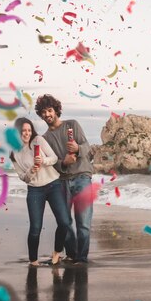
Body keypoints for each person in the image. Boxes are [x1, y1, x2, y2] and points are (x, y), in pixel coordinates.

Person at [35, 94, 94, 264]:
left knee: (83, 222)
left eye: (49, 110)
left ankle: (81, 259)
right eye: (43, 112)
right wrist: (63, 163)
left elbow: (88, 149)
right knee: (65, 222)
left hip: (82, 177)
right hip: (61, 181)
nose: (47, 114)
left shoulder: (72, 125)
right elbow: (50, 164)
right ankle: (73, 255)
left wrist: (77, 148)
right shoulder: (44, 139)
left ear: (56, 110)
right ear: (41, 115)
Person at [10, 117, 72, 267]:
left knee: (64, 222)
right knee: (35, 228)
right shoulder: (14, 154)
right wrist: (32, 170)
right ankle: (33, 261)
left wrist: (43, 161)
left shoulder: (38, 140)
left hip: (53, 185)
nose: (27, 133)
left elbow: (54, 157)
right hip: (35, 190)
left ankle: (57, 252)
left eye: (29, 130)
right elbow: (23, 177)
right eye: (24, 130)